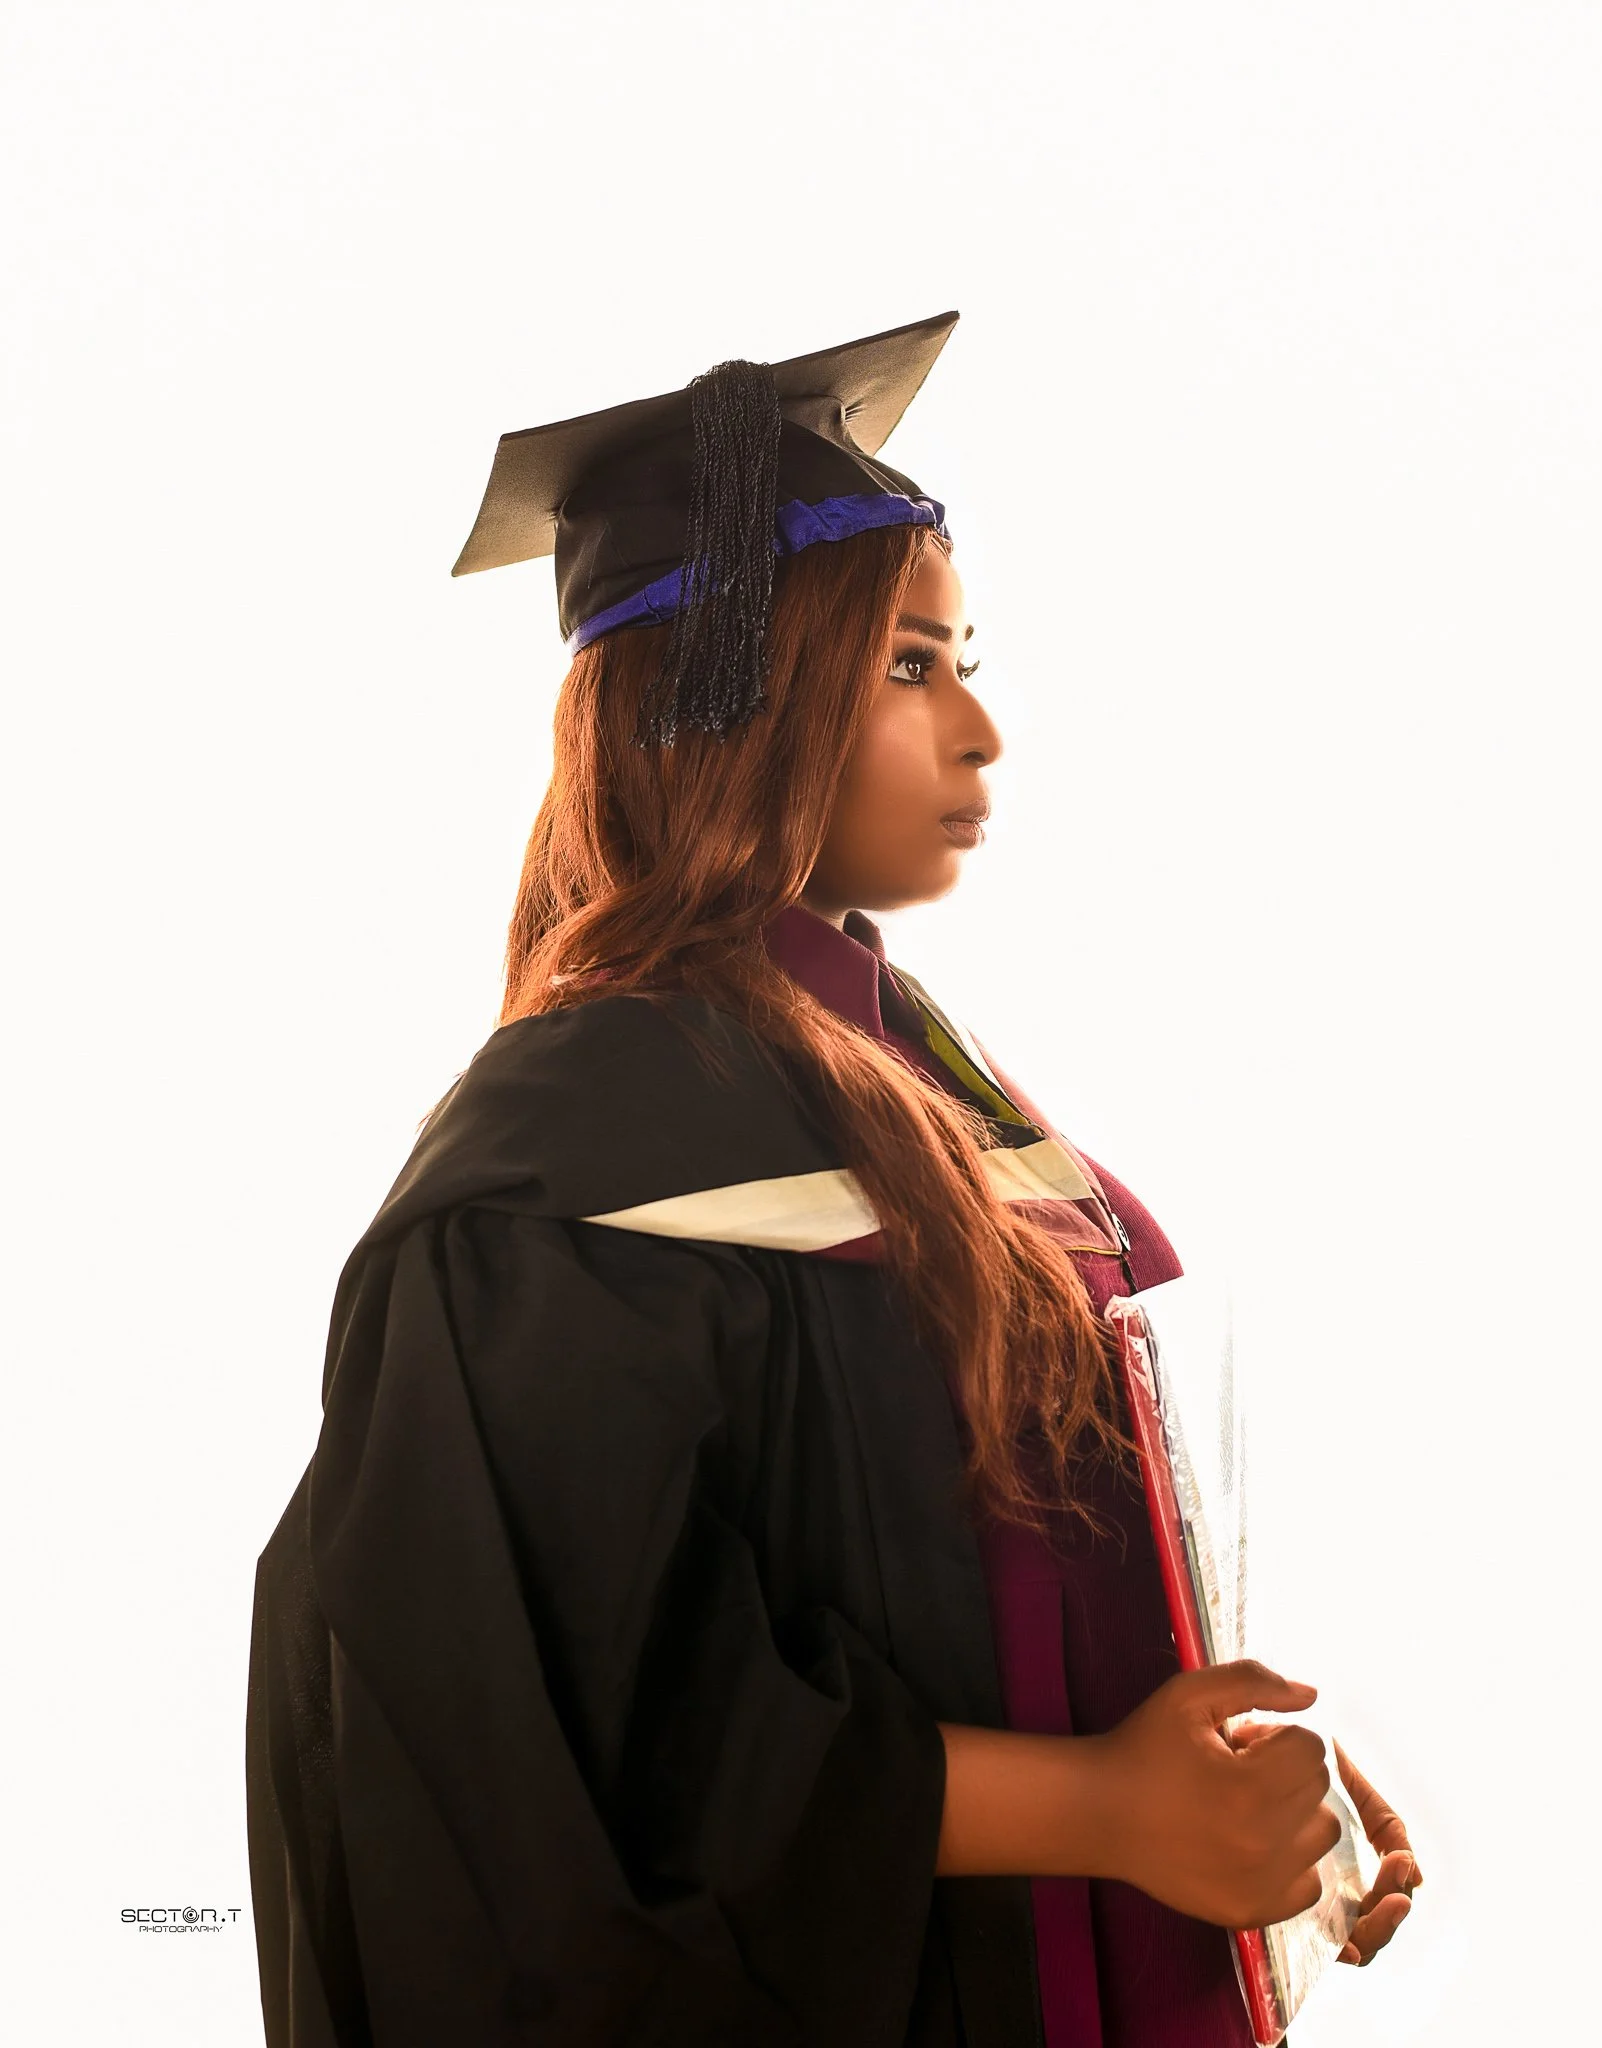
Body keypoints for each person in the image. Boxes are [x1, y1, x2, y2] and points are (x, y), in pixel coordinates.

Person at [245, 309, 1420, 2047]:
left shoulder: (901, 1082)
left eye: (964, 658)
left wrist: (1221, 1777)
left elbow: (1004, 1577)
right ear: (728, 701)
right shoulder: (574, 1172)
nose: (982, 731)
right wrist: (1099, 1809)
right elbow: (576, 1743)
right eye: (907, 665)